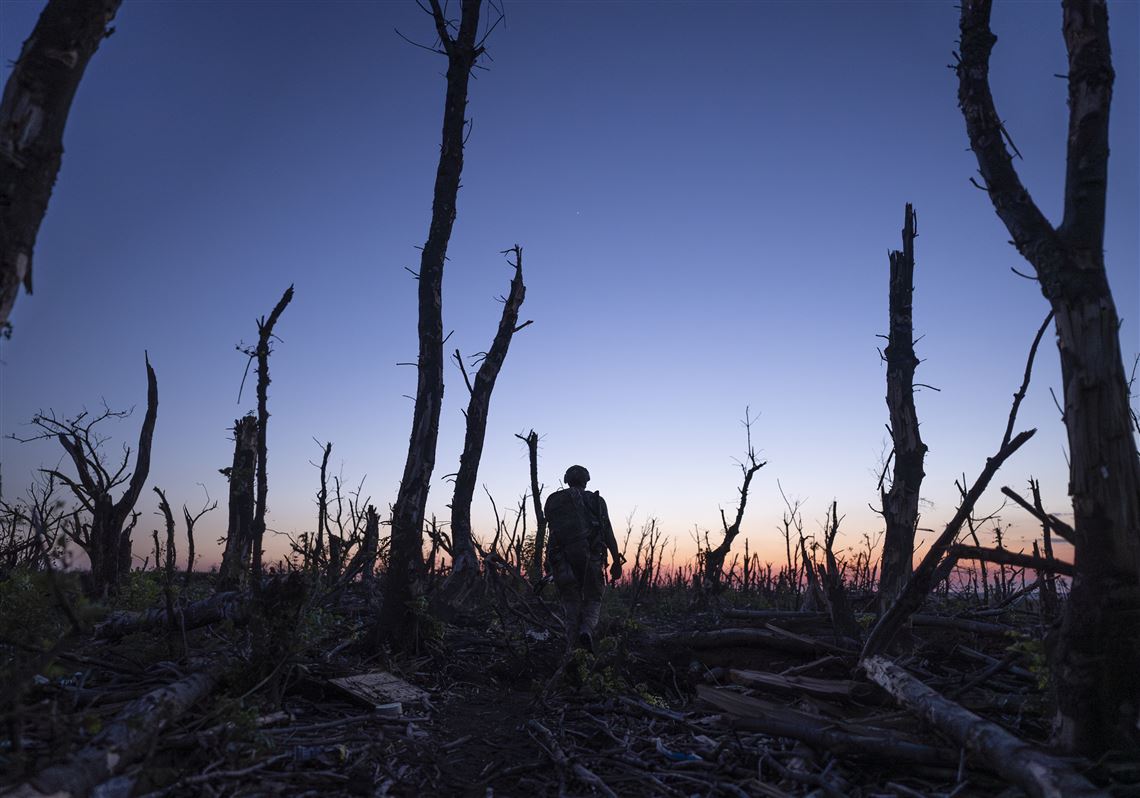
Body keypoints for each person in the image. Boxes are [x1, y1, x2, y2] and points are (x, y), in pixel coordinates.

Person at [543, 465, 622, 652]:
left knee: (570, 602)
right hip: (591, 559)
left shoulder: (554, 501)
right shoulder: (596, 501)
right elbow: (607, 531)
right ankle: (586, 630)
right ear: (586, 480)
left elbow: (552, 534)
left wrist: (548, 562)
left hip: (562, 560)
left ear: (566, 479)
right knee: (594, 599)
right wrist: (616, 561)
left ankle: (571, 648)